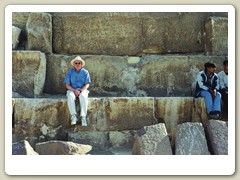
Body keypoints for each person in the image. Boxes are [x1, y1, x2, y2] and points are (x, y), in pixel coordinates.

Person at [64, 56, 91, 126]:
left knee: (83, 96)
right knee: (70, 96)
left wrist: (80, 91)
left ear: (81, 64)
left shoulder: (85, 72)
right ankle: (73, 116)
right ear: (74, 64)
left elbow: (87, 84)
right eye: (76, 63)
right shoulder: (70, 72)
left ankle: (83, 117)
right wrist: (74, 90)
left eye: (79, 63)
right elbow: (67, 85)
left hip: (82, 90)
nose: (78, 64)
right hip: (72, 89)